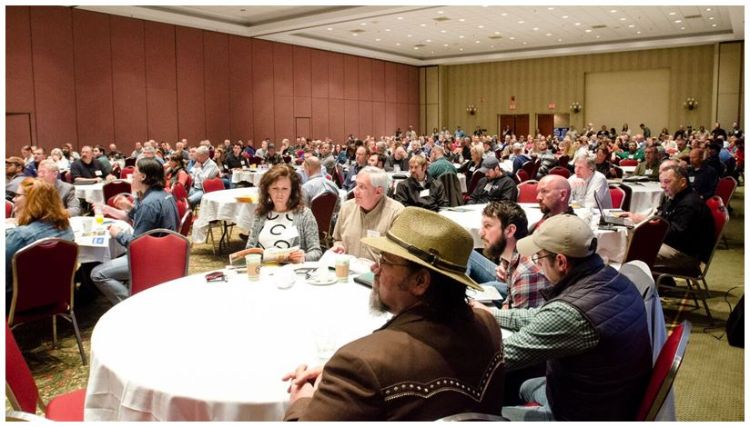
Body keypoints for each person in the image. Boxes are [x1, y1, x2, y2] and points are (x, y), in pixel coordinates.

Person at [282, 207, 505, 421]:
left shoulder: (360, 364)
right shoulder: (488, 325)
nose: (374, 269)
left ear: (420, 281)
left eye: (385, 261)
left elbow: (380, 367)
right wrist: (341, 384)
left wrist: (301, 402)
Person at [476, 214, 651, 421]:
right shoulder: (612, 278)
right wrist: (491, 314)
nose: (536, 266)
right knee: (520, 384)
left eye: (538, 258)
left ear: (561, 261)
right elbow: (540, 316)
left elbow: (499, 358)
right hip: (610, 397)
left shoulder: (572, 313)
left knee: (477, 418)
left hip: (583, 413)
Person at [91, 158, 180, 305]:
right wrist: (118, 209)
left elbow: (136, 245)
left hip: (150, 258)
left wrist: (117, 233)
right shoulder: (164, 195)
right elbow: (149, 220)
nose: (131, 175)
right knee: (116, 254)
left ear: (143, 177)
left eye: (135, 172)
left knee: (97, 273)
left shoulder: (148, 203)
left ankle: (131, 304)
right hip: (169, 253)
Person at [623, 165, 715, 273]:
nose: (662, 186)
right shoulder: (676, 196)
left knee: (633, 250)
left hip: (688, 256)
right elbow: (663, 220)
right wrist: (642, 219)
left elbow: (675, 234)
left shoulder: (689, 204)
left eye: (667, 182)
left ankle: (637, 286)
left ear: (682, 182)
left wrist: (647, 227)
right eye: (661, 182)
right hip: (677, 246)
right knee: (629, 241)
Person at [467, 201, 550, 308]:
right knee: (467, 252)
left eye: (487, 226)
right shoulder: (514, 256)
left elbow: (518, 323)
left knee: (473, 294)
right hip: (510, 285)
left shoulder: (525, 273)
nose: (480, 233)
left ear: (510, 231)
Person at [6, 178, 75, 305]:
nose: (14, 199)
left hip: (18, 301)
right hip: (57, 297)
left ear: (32, 200)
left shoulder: (20, 235)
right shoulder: (66, 228)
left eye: (17, 195)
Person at [244, 164, 321, 262]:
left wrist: (304, 257)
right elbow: (249, 248)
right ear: (268, 190)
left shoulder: (304, 215)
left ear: (292, 191)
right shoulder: (261, 214)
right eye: (275, 188)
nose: (279, 194)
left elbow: (316, 252)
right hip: (263, 272)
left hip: (293, 273)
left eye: (285, 189)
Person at [332, 166, 404, 261]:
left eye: (362, 187)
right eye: (356, 185)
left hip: (379, 273)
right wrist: (339, 246)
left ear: (378, 191)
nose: (355, 191)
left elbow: (399, 256)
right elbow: (338, 239)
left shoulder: (396, 213)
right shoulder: (347, 208)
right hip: (348, 271)